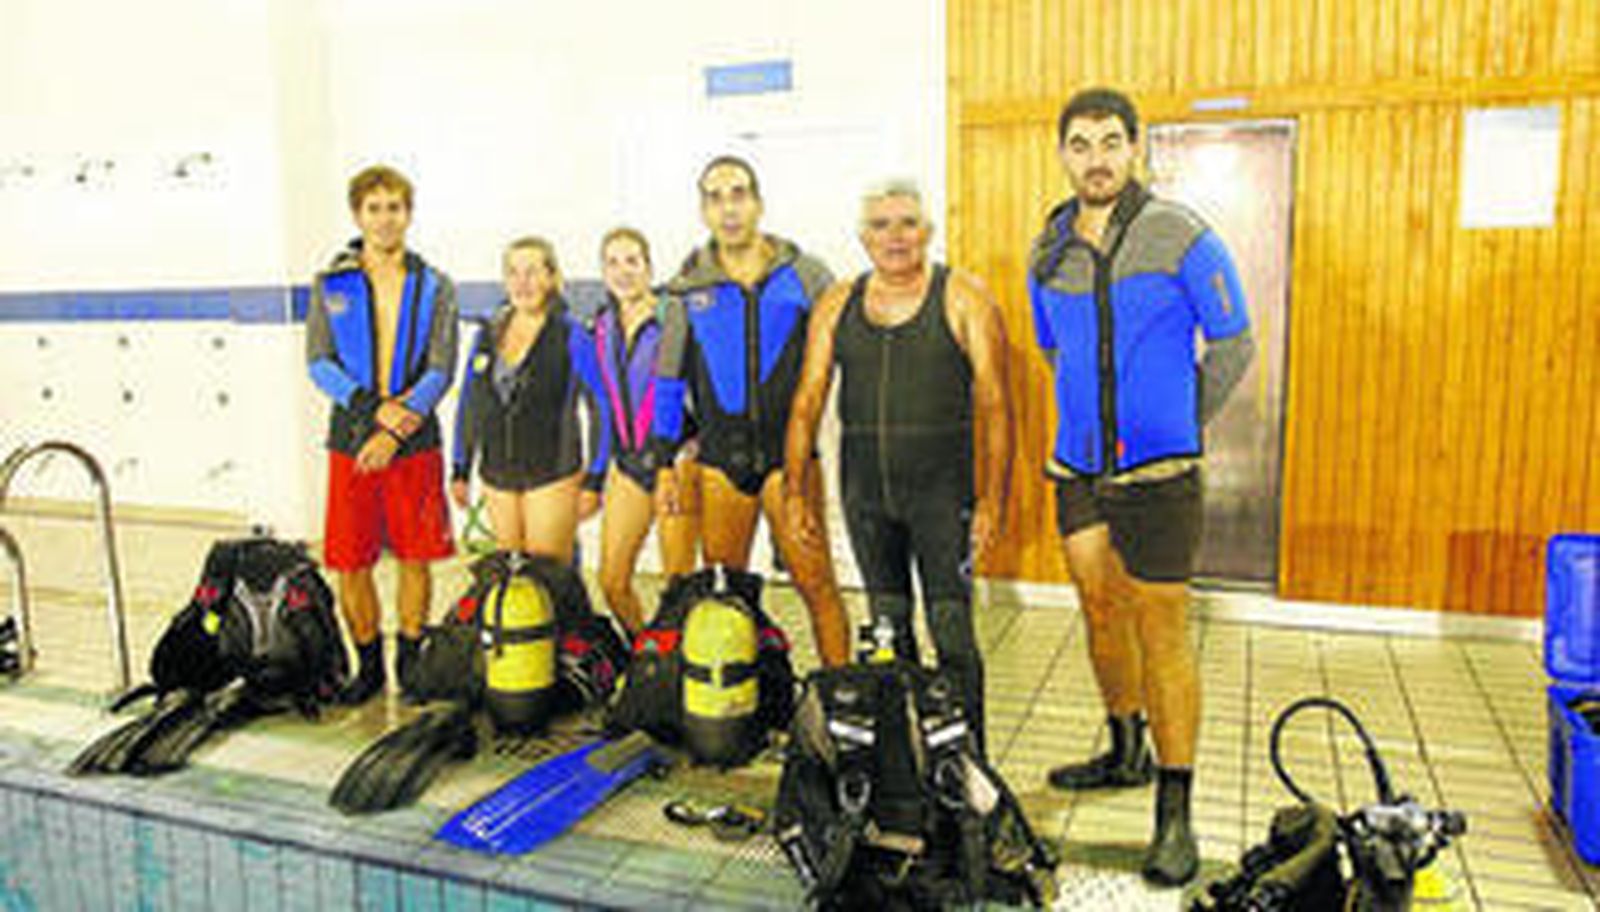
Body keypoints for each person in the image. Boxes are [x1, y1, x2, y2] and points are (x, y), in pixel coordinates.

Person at [1029, 88, 1256, 886]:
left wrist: (1174, 417)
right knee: (1097, 605)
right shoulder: (1048, 248)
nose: (1096, 157)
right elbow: (1054, 350)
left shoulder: (1181, 234)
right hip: (1078, 468)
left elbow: (1233, 342)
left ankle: (1175, 807)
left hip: (1158, 472)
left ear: (1136, 150)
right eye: (1081, 143)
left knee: (1162, 633)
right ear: (1062, 153)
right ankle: (1124, 747)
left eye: (1110, 142)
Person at [783, 179, 1009, 752]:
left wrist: (991, 499)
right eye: (881, 226)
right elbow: (808, 398)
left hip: (943, 496)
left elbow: (995, 404)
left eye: (907, 223)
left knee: (953, 634)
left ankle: (970, 768)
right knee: (888, 632)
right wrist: (793, 492)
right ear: (863, 237)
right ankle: (907, 764)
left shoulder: (964, 298)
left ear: (927, 231)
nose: (896, 237)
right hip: (867, 498)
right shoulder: (838, 300)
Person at [647, 155, 850, 667]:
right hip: (721, 466)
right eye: (715, 198)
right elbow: (667, 381)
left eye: (738, 194)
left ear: (757, 203)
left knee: (818, 586)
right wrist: (664, 464)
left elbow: (847, 354)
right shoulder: (686, 286)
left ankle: (843, 697)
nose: (728, 208)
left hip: (792, 463)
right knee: (725, 594)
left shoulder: (806, 274)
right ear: (703, 210)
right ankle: (740, 703)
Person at [305, 164, 458, 705]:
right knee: (351, 560)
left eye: (395, 207)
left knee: (415, 556)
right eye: (375, 208)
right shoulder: (331, 284)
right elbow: (319, 363)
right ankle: (367, 666)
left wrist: (395, 431)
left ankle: (410, 662)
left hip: (415, 443)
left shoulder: (435, 284)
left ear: (408, 214)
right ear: (358, 215)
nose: (385, 218)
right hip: (351, 439)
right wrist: (373, 412)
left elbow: (441, 368)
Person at [450, 237, 608, 564]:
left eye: (533, 272)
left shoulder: (572, 334)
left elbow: (600, 410)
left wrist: (595, 479)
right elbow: (470, 403)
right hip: (497, 475)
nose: (523, 282)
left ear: (551, 277)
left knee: (549, 579)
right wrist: (460, 467)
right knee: (513, 578)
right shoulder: (487, 333)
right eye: (514, 273)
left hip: (552, 473)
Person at [591, 227, 702, 634]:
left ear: (648, 267)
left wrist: (675, 459)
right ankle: (646, 656)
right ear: (603, 271)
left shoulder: (671, 314)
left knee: (677, 588)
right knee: (612, 581)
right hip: (629, 464)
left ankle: (675, 670)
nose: (623, 272)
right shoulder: (601, 323)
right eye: (613, 262)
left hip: (675, 461)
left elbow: (681, 390)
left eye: (632, 261)